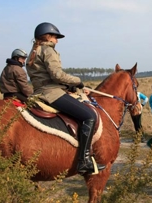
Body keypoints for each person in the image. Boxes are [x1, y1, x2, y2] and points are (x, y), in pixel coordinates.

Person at [25, 22, 105, 174]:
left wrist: (68, 87)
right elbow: (57, 75)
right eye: (55, 37)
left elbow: (46, 77)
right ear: (47, 36)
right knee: (89, 116)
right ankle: (84, 161)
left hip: (39, 92)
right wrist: (77, 81)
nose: (57, 40)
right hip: (51, 94)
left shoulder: (34, 51)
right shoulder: (48, 50)